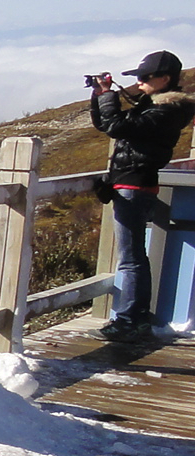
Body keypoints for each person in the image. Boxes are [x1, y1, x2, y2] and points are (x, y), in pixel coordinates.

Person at [89, 50, 195, 340]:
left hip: (135, 186)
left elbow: (117, 127)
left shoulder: (167, 111)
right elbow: (107, 125)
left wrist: (109, 95)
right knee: (133, 256)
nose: (139, 82)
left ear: (164, 79)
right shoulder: (157, 107)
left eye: (144, 77)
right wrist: (100, 95)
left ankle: (131, 320)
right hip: (130, 184)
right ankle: (134, 318)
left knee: (131, 259)